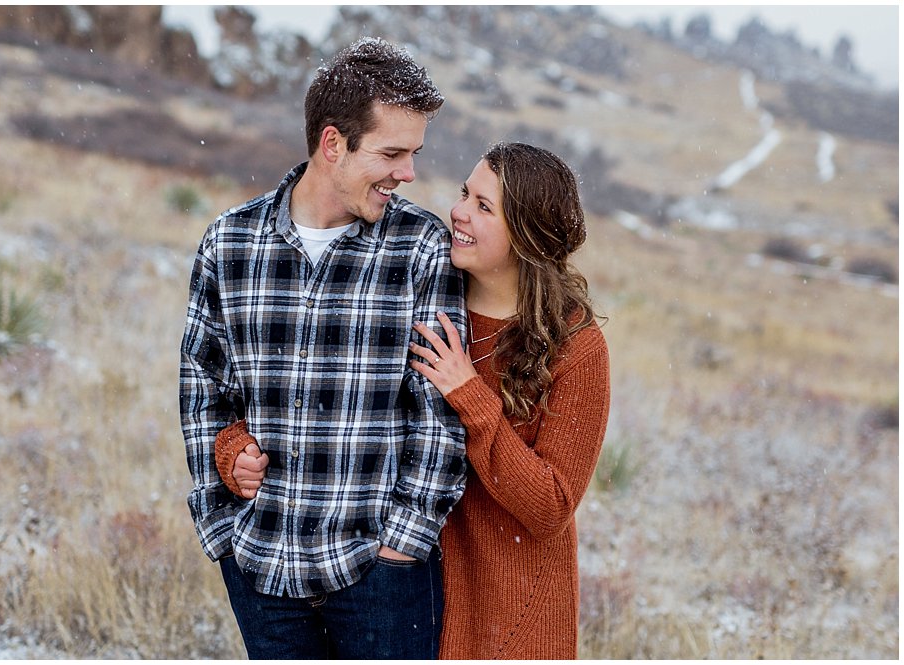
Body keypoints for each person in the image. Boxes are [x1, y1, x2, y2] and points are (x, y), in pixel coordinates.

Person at [179, 37, 468, 660]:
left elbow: (440, 414)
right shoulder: (229, 245)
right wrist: (220, 511)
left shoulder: (421, 247)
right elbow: (203, 390)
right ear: (333, 143)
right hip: (259, 563)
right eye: (392, 153)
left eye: (414, 154)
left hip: (381, 576)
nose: (409, 174)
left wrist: (403, 544)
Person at [408, 141, 610, 659]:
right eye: (464, 194)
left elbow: (551, 507)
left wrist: (470, 398)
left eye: (482, 206)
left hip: (516, 620)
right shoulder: (427, 301)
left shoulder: (576, 346)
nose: (457, 212)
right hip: (409, 598)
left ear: (526, 235)